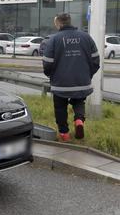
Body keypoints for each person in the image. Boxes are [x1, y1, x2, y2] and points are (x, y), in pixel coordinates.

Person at [43, 13, 100, 141]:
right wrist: (87, 75)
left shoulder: (54, 39)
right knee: (79, 101)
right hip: (81, 81)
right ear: (70, 22)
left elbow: (47, 63)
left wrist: (51, 75)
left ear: (58, 23)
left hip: (60, 83)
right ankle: (79, 120)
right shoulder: (86, 37)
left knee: (60, 107)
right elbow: (95, 60)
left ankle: (65, 134)